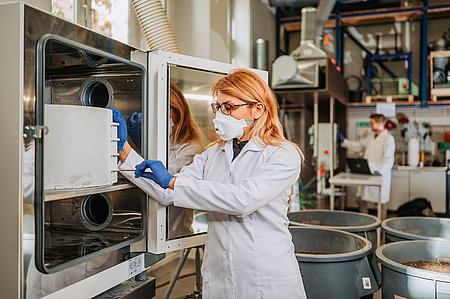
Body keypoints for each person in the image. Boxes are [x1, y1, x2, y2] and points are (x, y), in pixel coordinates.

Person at [113, 69, 307, 298]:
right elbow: (168, 193)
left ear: (257, 109)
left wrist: (173, 181)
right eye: (218, 107)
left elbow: (242, 200)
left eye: (230, 107)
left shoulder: (282, 154)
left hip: (265, 276)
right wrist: (124, 150)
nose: (221, 114)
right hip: (220, 274)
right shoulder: (213, 154)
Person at [119, 82, 204, 239]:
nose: (157, 115)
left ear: (179, 112)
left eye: (165, 108)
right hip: (137, 233)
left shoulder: (191, 150)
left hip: (170, 237)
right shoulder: (150, 141)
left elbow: (168, 193)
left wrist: (123, 149)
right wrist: (139, 144)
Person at [338, 113, 395, 220]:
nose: (370, 125)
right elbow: (358, 146)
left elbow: (389, 159)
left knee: (381, 202)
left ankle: (381, 226)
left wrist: (380, 170)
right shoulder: (371, 137)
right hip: (368, 172)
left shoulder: (388, 139)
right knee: (360, 198)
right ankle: (368, 221)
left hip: (380, 174)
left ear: (380, 123)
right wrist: (344, 142)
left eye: (372, 123)